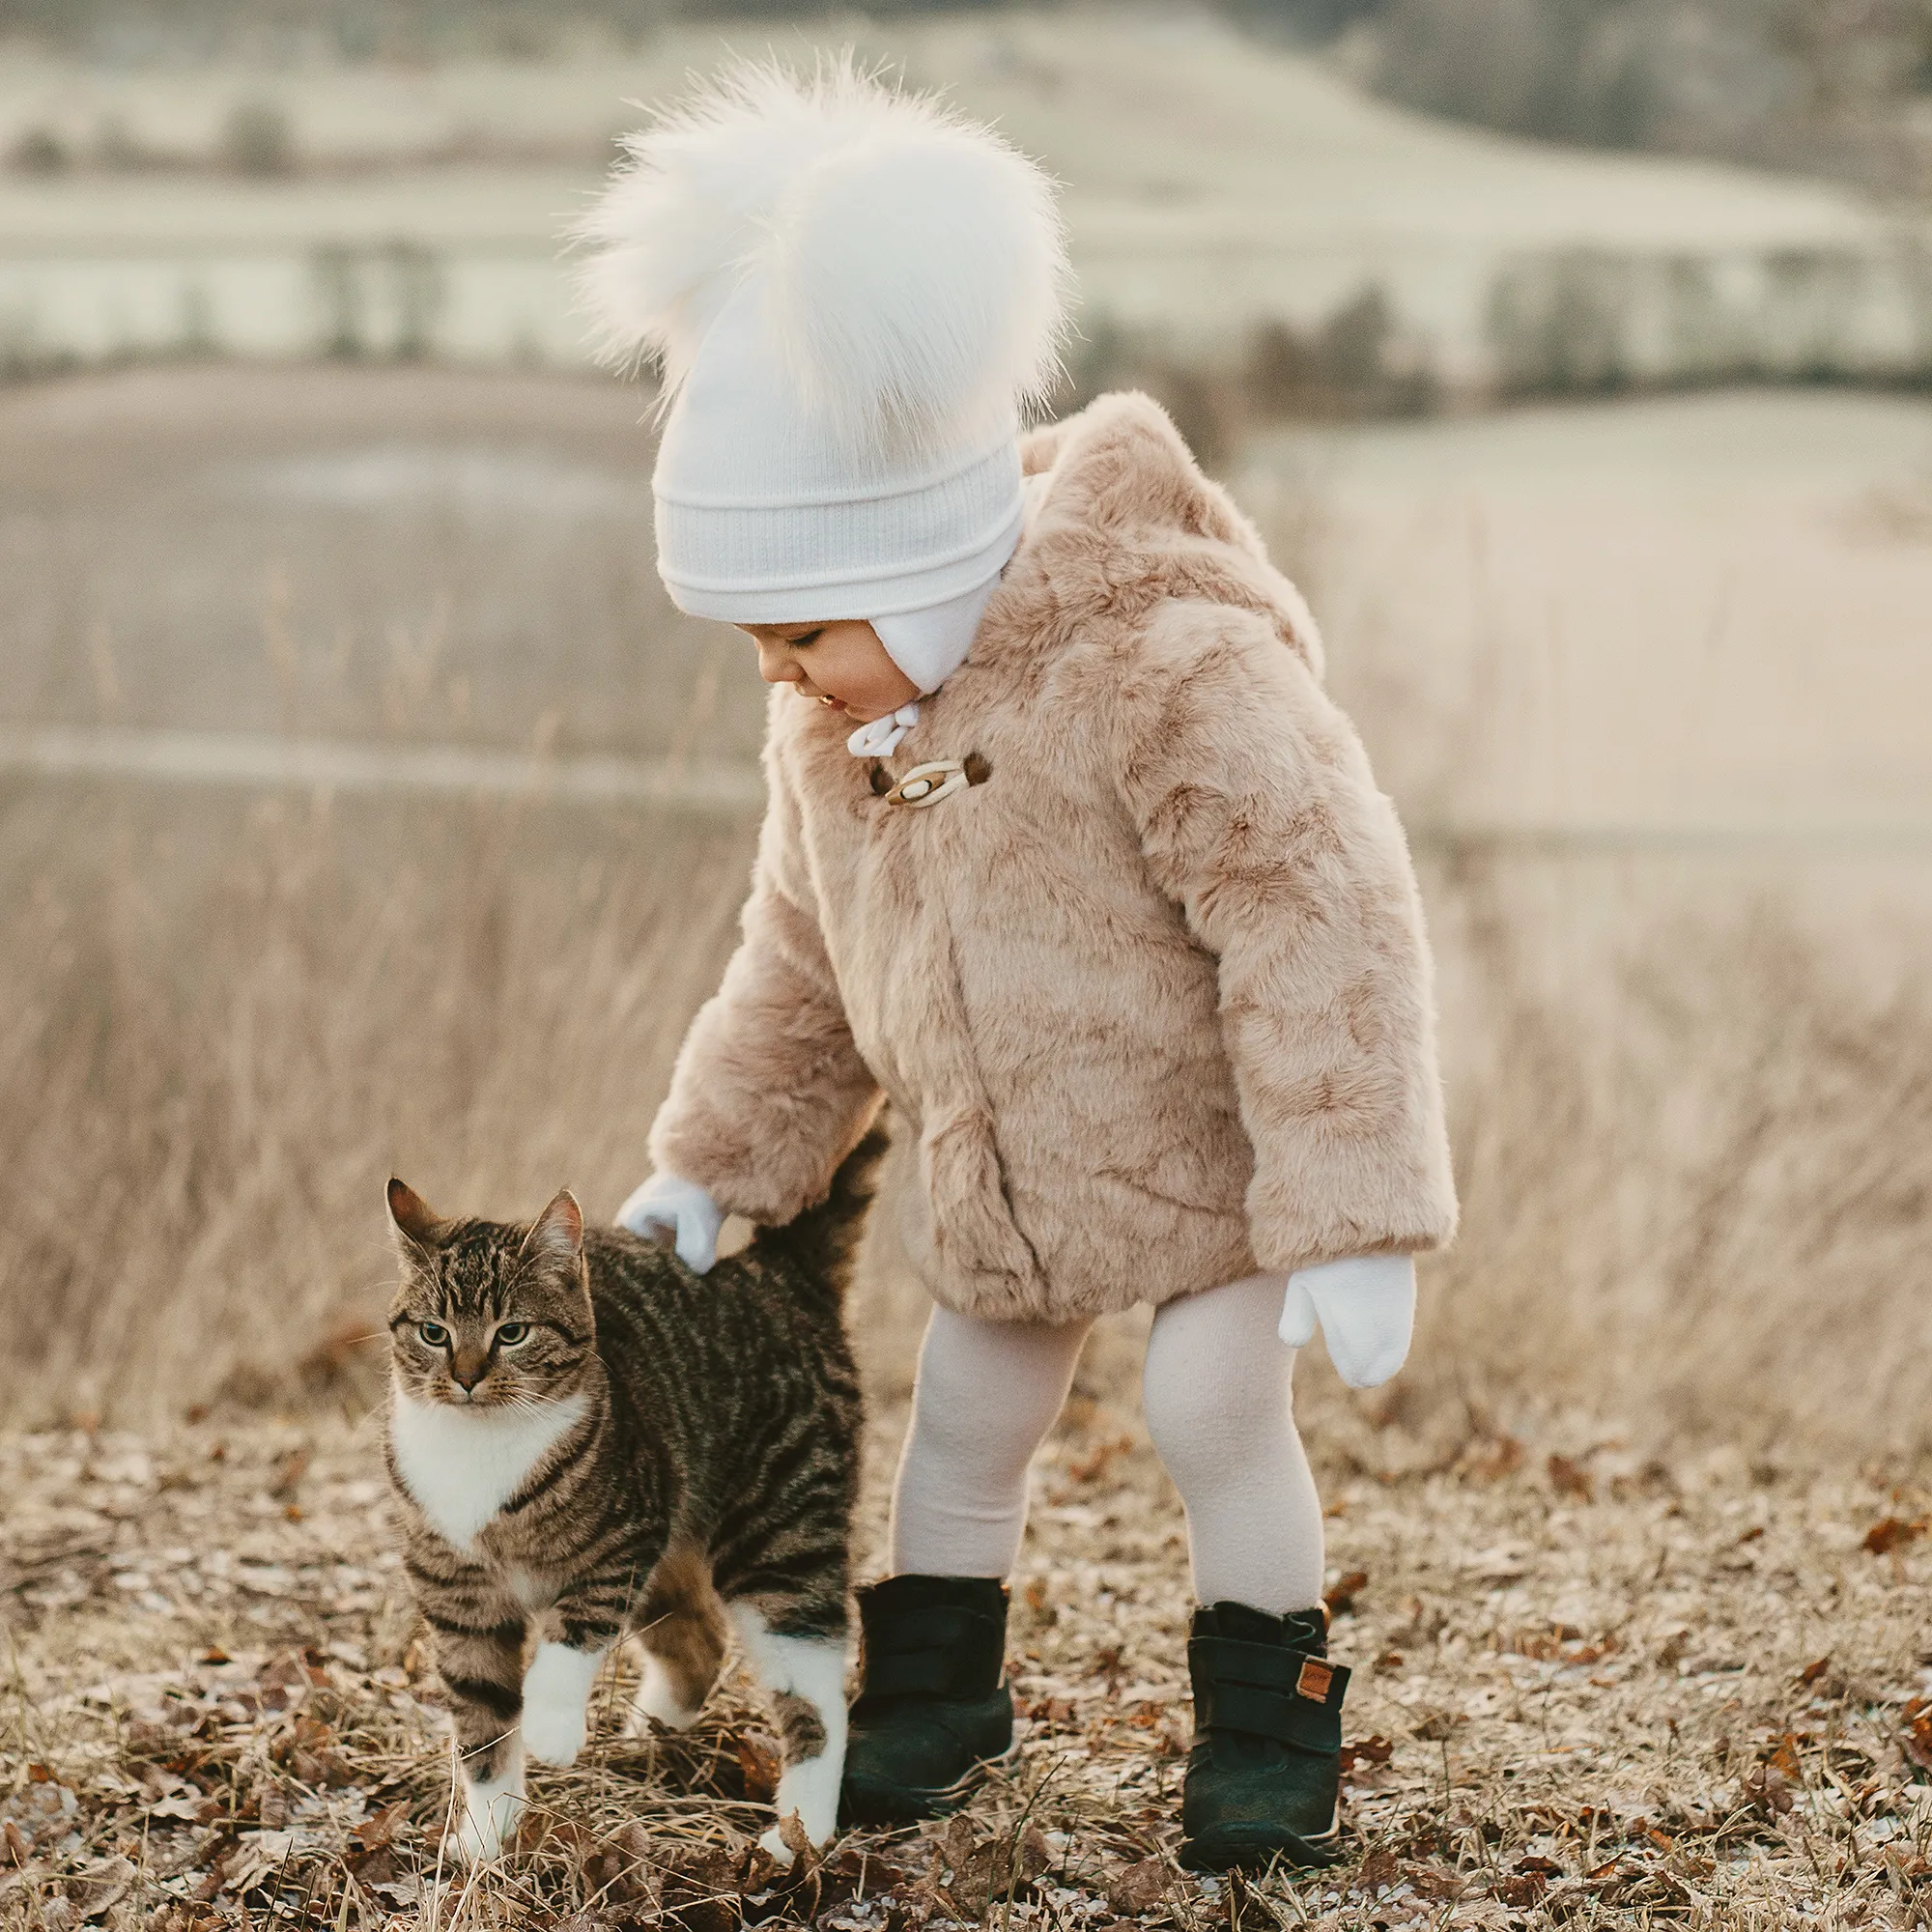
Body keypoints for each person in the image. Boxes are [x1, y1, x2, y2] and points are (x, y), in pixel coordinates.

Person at [578, 61, 1457, 1874]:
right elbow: (803, 965)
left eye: (805, 630)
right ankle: (935, 1707)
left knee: (1211, 1409)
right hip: (1009, 1178)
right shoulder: (836, 735)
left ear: (911, 557)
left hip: (1216, 1164)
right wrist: (713, 1165)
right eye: (759, 641)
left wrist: (1355, 1208)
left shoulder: (1158, 666)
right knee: (965, 1419)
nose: (780, 677)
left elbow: (1324, 910)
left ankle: (1266, 1728)